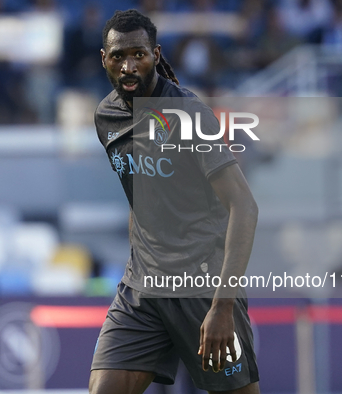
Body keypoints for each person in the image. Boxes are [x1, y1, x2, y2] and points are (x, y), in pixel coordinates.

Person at [90, 9, 260, 394]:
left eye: (139, 54)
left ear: (155, 53)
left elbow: (245, 207)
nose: (129, 65)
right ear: (104, 59)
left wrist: (223, 305)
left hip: (203, 286)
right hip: (143, 289)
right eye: (118, 56)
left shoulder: (188, 113)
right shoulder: (106, 117)